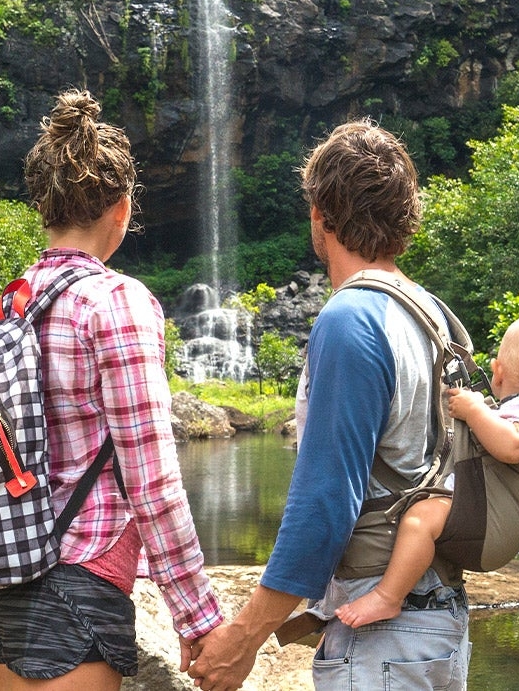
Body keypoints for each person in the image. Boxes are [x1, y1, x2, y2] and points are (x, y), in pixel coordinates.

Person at [189, 120, 468, 691]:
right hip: (436, 617)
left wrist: (243, 638)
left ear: (321, 214)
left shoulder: (351, 319)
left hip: (384, 631)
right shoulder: (434, 314)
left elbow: (324, 504)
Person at [0, 89, 221, 690]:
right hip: (78, 572)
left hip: (0, 574)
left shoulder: (12, 301)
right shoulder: (118, 302)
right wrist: (197, 611)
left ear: (44, 209)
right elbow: (150, 475)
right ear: (123, 209)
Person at [334, 312, 519, 628]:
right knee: (426, 519)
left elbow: (514, 448)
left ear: (497, 372)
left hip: (486, 531)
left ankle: (387, 598)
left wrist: (475, 410)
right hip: (487, 524)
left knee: (420, 521)